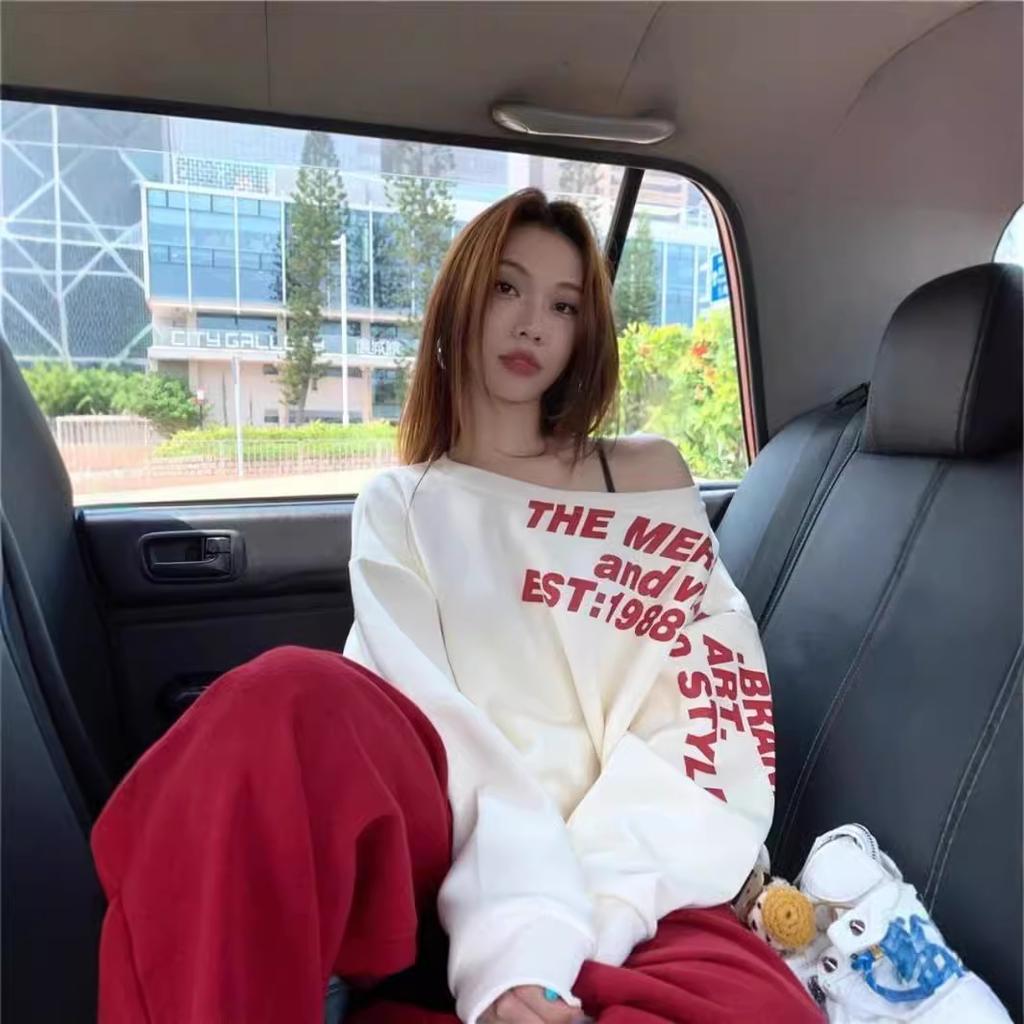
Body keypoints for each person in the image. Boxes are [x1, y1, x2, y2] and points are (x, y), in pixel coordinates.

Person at [92, 190, 822, 1024]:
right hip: (462, 844)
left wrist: (595, 909)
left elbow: (704, 705)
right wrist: (516, 938)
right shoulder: (402, 504)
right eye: (507, 288)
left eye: (563, 306)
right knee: (279, 697)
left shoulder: (646, 474)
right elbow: (439, 722)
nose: (532, 325)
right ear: (460, 301)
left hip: (641, 844)